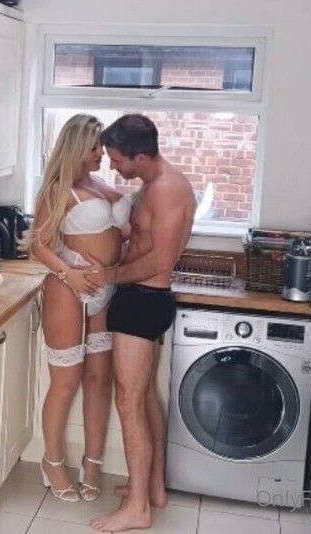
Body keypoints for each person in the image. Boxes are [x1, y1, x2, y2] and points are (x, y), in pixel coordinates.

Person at [85, 114, 195, 532]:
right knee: (145, 396)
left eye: (118, 160)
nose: (114, 167)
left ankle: (136, 509)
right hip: (144, 299)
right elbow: (142, 237)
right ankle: (152, 489)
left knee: (128, 402)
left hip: (143, 301)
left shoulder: (166, 189)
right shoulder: (154, 184)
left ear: (141, 156)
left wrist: (111, 276)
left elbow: (161, 260)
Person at [18, 114, 132, 503]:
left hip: (106, 290)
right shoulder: (58, 189)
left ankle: (92, 463)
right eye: (95, 146)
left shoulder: (99, 184)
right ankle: (52, 462)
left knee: (99, 381)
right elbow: (38, 243)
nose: (102, 153)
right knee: (66, 383)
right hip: (68, 289)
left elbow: (121, 230)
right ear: (77, 146)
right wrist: (70, 274)